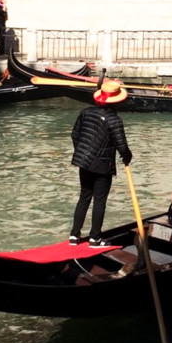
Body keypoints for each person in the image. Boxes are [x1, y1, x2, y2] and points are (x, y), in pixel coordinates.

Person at [69, 80, 133, 246]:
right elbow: (122, 146)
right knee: (99, 200)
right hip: (103, 165)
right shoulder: (115, 120)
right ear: (117, 101)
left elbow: (75, 135)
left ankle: (74, 236)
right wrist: (127, 157)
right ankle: (94, 237)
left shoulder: (86, 112)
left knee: (84, 197)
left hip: (84, 162)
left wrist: (82, 151)